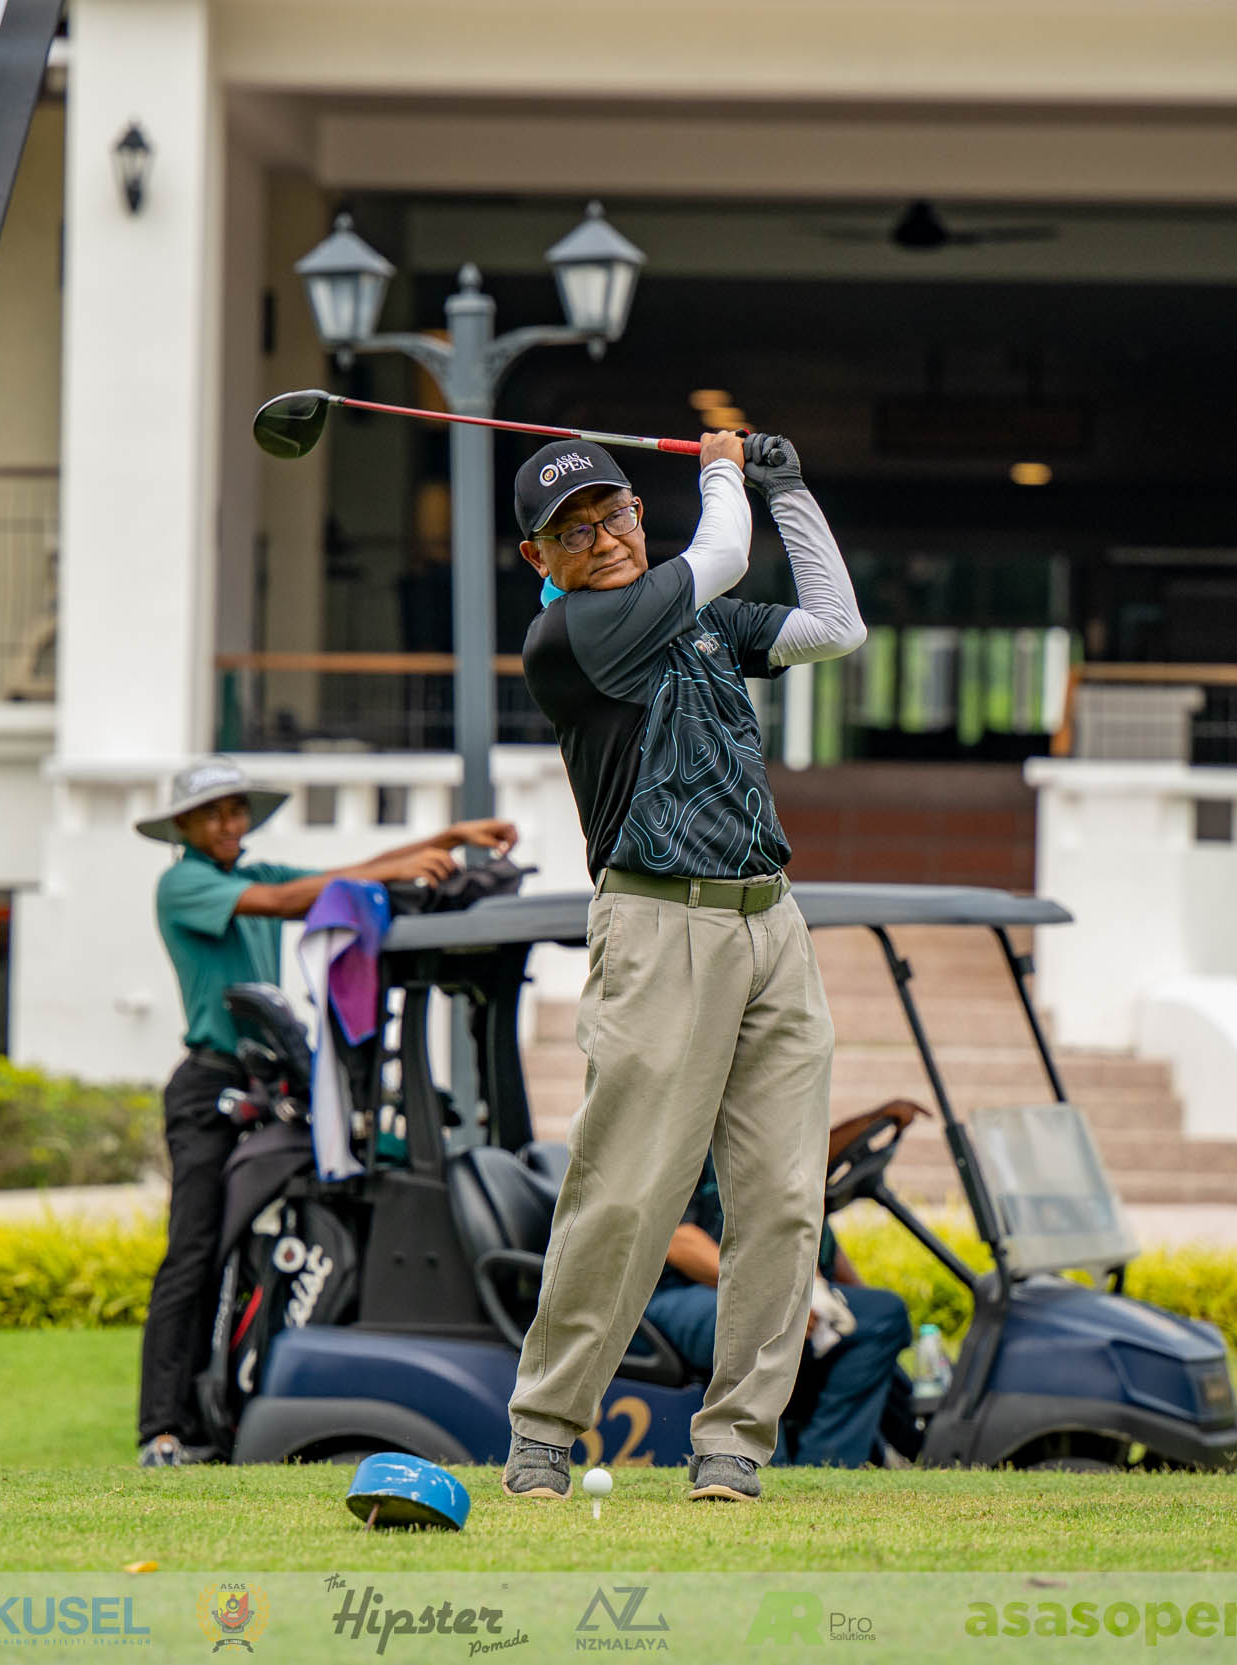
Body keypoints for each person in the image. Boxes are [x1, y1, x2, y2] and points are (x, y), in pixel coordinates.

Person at [502, 429, 866, 1504]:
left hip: (771, 922)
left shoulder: (698, 617)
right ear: (539, 560)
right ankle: (544, 1431)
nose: (605, 540)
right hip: (659, 926)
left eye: (614, 515)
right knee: (625, 1193)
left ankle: (734, 1445)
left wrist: (790, 490)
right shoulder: (571, 636)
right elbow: (719, 556)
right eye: (573, 533)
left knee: (786, 1200)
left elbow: (835, 627)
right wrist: (722, 468)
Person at [133, 756, 517, 1466]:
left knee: (256, 1241)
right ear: (183, 825)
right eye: (212, 813)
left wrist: (448, 838)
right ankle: (161, 1428)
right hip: (208, 1088)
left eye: (236, 809)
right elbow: (292, 901)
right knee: (193, 1251)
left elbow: (348, 873)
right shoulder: (184, 883)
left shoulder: (253, 872)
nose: (228, 822)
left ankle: (222, 1410)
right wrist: (392, 871)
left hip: (265, 1082)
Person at [644, 1107, 931, 1469]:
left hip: (754, 1286)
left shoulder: (768, 1138)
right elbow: (678, 1240)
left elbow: (822, 1158)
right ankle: (786, 1465)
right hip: (677, 1294)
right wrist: (771, 1292)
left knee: (880, 1316)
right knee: (765, 1318)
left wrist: (876, 1118)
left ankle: (842, 1462)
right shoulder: (689, 1135)